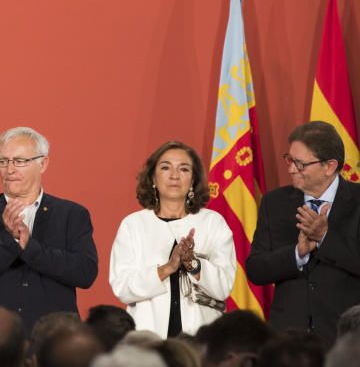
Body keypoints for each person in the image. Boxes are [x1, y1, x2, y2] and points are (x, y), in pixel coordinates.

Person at [0, 127, 98, 334]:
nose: (10, 169)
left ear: (43, 164)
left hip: (56, 339)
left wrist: (31, 248)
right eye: (3, 161)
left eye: (20, 161)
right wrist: (8, 239)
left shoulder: (71, 214)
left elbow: (85, 273)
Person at [246, 121, 360, 348]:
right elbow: (256, 269)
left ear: (329, 166)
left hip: (346, 341)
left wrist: (325, 237)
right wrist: (297, 253)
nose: (291, 169)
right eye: (289, 159)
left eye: (300, 164)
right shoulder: (274, 202)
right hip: (288, 341)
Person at [109, 141, 236, 338]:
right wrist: (168, 268)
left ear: (193, 179)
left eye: (183, 169)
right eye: (165, 167)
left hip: (202, 338)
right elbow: (122, 287)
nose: (174, 176)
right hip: (147, 338)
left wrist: (193, 264)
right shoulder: (133, 225)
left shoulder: (212, 222)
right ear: (153, 177)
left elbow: (223, 287)